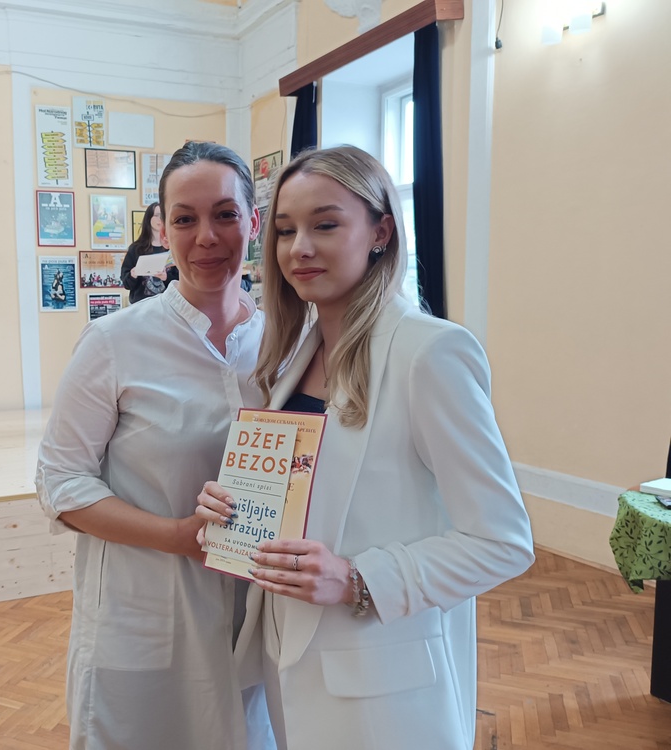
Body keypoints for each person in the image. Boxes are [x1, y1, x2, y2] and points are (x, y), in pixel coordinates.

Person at [196, 145, 535, 750]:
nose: (299, 248)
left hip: (382, 682)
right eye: (285, 230)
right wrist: (234, 510)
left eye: (325, 225)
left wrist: (359, 579)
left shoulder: (430, 353)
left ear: (380, 232)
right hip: (288, 659)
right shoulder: (293, 357)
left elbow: (503, 542)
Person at [36, 141, 274, 749]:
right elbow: (60, 482)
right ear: (162, 231)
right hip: (143, 610)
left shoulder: (284, 342)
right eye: (185, 219)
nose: (207, 237)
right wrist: (177, 536)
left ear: (253, 222)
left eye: (225, 214)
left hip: (258, 615)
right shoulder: (113, 343)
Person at [120, 201, 179, 303]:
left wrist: (166, 277)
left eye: (164, 215)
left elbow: (181, 281)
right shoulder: (136, 249)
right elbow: (126, 284)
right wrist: (133, 274)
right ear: (149, 218)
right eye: (157, 215)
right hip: (141, 306)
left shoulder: (173, 248)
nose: (161, 219)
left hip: (167, 305)